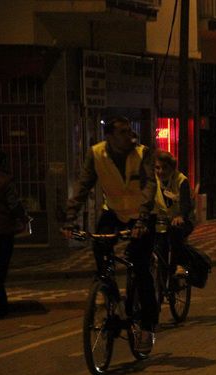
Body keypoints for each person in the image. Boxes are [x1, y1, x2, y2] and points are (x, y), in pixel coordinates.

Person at [62, 116, 158, 353]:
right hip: (113, 211)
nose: (129, 136)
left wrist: (143, 219)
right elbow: (83, 186)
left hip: (141, 216)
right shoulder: (96, 154)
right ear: (110, 136)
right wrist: (70, 218)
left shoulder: (142, 153)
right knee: (99, 246)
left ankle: (147, 327)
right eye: (123, 132)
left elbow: (149, 186)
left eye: (129, 131)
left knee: (141, 266)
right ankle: (108, 291)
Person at [0, 150, 28, 318]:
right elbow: (14, 204)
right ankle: (1, 307)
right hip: (2, 232)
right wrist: (23, 218)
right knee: (0, 270)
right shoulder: (5, 181)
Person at [153, 151, 194, 276]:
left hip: (181, 220)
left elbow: (186, 203)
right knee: (159, 246)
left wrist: (181, 216)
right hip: (161, 221)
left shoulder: (181, 180)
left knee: (176, 235)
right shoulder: (153, 181)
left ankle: (179, 265)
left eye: (165, 168)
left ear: (172, 168)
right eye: (157, 168)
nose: (160, 171)